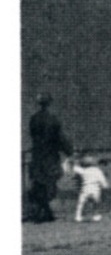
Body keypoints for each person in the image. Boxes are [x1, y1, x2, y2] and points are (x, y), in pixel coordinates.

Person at [27, 93, 73, 223]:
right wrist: (69, 151)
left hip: (37, 157)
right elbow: (59, 138)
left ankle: (45, 213)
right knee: (50, 183)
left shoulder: (33, 119)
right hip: (50, 157)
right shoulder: (53, 119)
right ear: (50, 103)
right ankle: (45, 214)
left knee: (39, 183)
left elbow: (33, 136)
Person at [73, 153, 109, 222]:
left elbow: (76, 169)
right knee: (96, 204)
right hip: (95, 191)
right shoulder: (98, 171)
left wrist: (76, 162)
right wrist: (105, 185)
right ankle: (96, 216)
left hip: (85, 190)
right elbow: (102, 180)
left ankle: (78, 216)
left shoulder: (84, 171)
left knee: (80, 204)